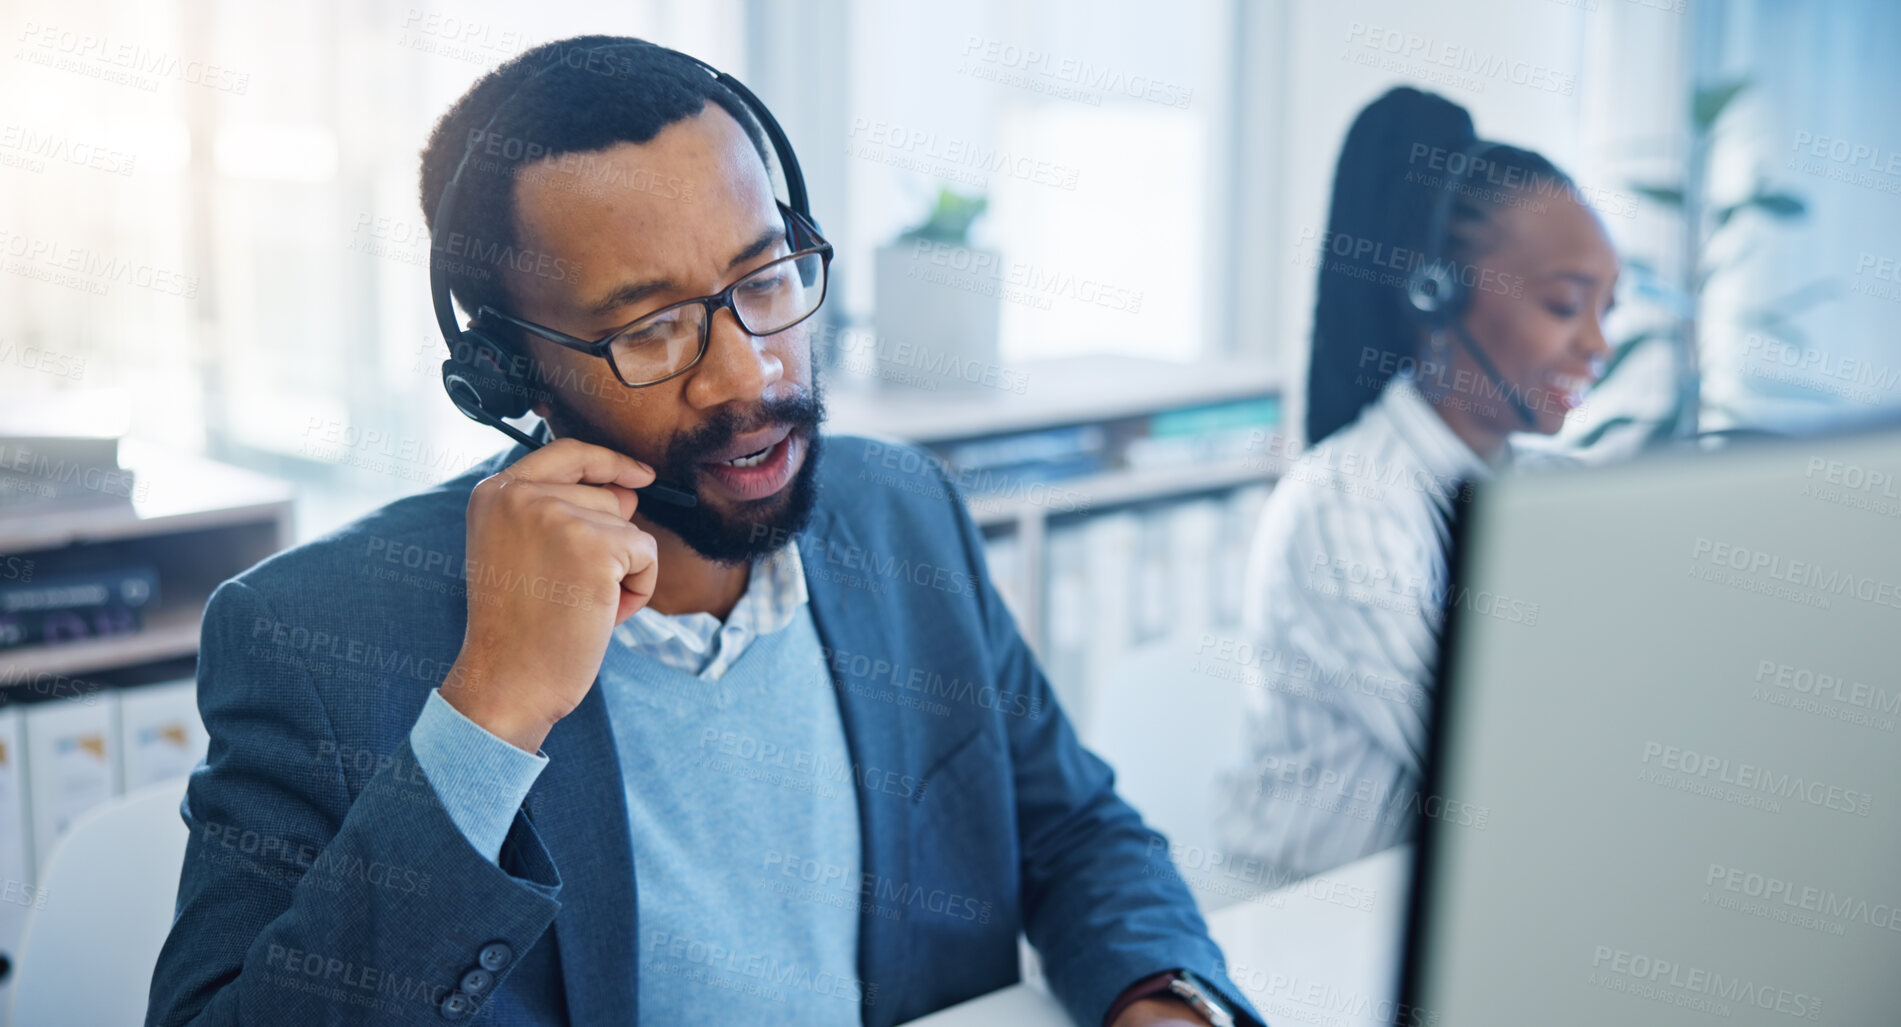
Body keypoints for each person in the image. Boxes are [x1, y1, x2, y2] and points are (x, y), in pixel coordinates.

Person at [148, 36, 1260, 1027]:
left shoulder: (900, 510)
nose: (751, 371)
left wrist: (1160, 996)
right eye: (655, 327)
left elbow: (1070, 830)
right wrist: (491, 709)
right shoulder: (312, 635)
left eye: (766, 278)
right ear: (505, 372)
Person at [1218, 86, 1619, 879]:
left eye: (1609, 306)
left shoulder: (1539, 488)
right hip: (1307, 938)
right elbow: (1501, 762)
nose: (1597, 341)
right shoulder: (1347, 502)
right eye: (1565, 303)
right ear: (1437, 291)